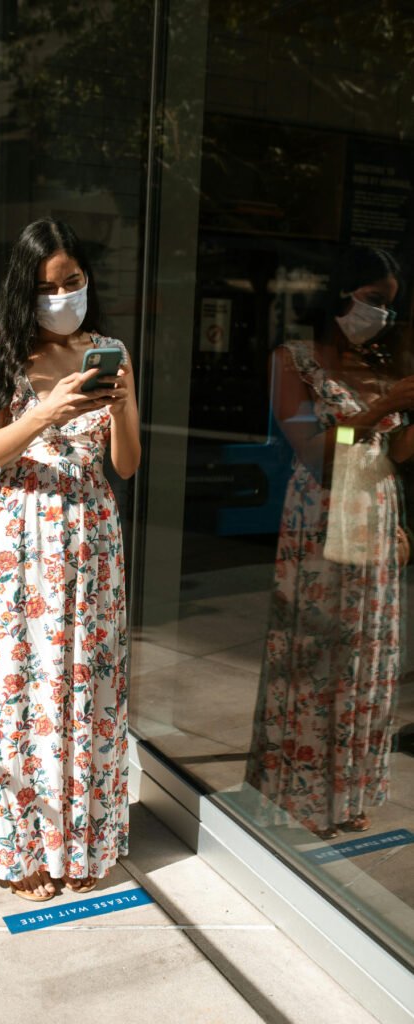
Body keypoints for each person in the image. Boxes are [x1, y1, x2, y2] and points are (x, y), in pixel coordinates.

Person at [0, 219, 141, 901]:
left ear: (88, 278)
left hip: (90, 536)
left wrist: (116, 409)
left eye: (72, 282)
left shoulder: (108, 350)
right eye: (46, 287)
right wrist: (46, 412)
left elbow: (125, 464)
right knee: (16, 688)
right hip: (19, 536)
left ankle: (78, 840)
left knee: (83, 689)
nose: (61, 296)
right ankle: (20, 846)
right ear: (23, 289)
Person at [246, 246, 414, 841]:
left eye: (389, 307)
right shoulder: (292, 360)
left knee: (366, 654)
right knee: (317, 655)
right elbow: (314, 453)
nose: (381, 317)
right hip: (321, 513)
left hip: (375, 508)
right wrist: (383, 407)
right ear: (338, 296)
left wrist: (405, 414)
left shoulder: (379, 362)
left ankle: (351, 790)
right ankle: (303, 790)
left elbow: (396, 453)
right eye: (372, 302)